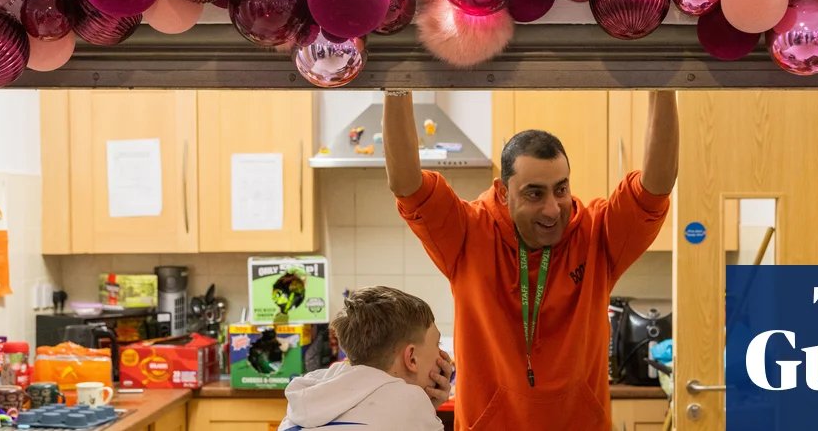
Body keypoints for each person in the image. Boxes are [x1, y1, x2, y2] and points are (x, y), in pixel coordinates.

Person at [383, 89, 679, 430]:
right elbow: (406, 185)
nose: (552, 209)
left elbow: (656, 187)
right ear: (503, 192)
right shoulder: (468, 233)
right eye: (534, 193)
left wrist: (663, 84)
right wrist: (397, 85)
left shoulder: (597, 234)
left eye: (561, 189)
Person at [278, 286, 452, 431]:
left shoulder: (310, 391)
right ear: (411, 358)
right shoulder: (411, 403)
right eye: (438, 344)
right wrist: (425, 410)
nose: (442, 354)